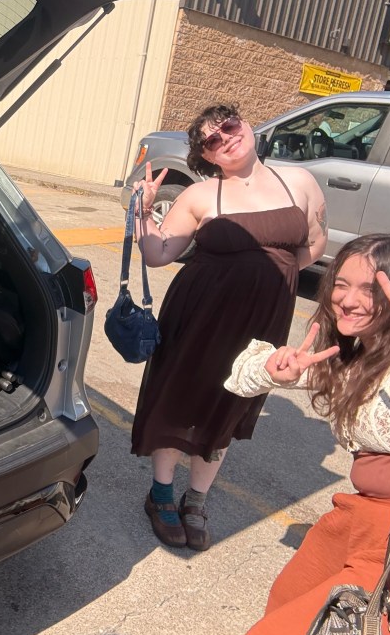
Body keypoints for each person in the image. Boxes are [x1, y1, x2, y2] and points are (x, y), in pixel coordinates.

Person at [228, 234, 390, 635]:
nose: (348, 299)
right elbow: (240, 378)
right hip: (364, 521)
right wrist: (273, 368)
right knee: (286, 604)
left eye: (371, 290)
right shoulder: (346, 357)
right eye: (341, 284)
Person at [130, 103, 327, 551]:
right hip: (200, 312)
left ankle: (196, 498)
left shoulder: (299, 182)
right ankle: (161, 494)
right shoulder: (200, 196)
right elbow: (159, 254)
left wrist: (271, 275)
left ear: (247, 123)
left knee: (232, 401)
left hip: (264, 317)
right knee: (181, 396)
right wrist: (143, 213)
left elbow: (314, 244)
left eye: (229, 127)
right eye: (212, 141)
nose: (226, 139)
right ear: (208, 157)